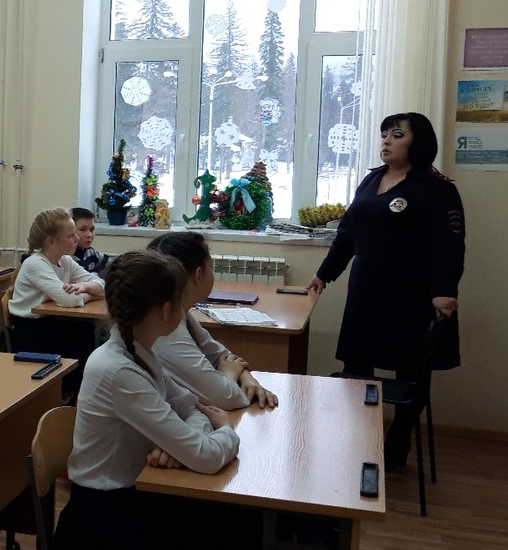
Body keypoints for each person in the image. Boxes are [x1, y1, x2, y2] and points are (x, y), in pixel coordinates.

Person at [52, 251, 249, 550]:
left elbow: (191, 406)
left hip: (133, 496)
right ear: (167, 309)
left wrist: (178, 444)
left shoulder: (139, 352)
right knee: (232, 526)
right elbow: (205, 456)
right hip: (103, 520)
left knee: (232, 521)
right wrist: (225, 430)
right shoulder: (119, 370)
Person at [308, 111, 465, 468]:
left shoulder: (436, 187)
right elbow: (348, 233)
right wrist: (324, 274)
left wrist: (444, 290)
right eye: (384, 134)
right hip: (366, 291)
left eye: (397, 135)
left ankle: (397, 444)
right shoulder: (371, 180)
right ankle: (362, 438)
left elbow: (450, 245)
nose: (386, 141)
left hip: (413, 295)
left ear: (418, 142)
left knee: (410, 372)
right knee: (356, 367)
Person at [146, 231, 277, 409]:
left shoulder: (180, 312)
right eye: (211, 266)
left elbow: (220, 355)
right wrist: (229, 374)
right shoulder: (168, 329)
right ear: (199, 275)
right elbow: (225, 398)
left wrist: (247, 378)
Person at [8, 207, 104, 398]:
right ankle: (67, 395)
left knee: (86, 332)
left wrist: (84, 287)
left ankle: (77, 395)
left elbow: (101, 284)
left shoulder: (65, 260)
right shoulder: (35, 263)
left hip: (50, 322)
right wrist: (90, 294)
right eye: (70, 235)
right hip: (30, 330)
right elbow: (70, 299)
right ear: (50, 241)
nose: (76, 239)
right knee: (82, 341)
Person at [70, 207, 110, 278]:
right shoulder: (66, 258)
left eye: (92, 229)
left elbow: (110, 263)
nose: (89, 235)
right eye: (83, 230)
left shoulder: (90, 252)